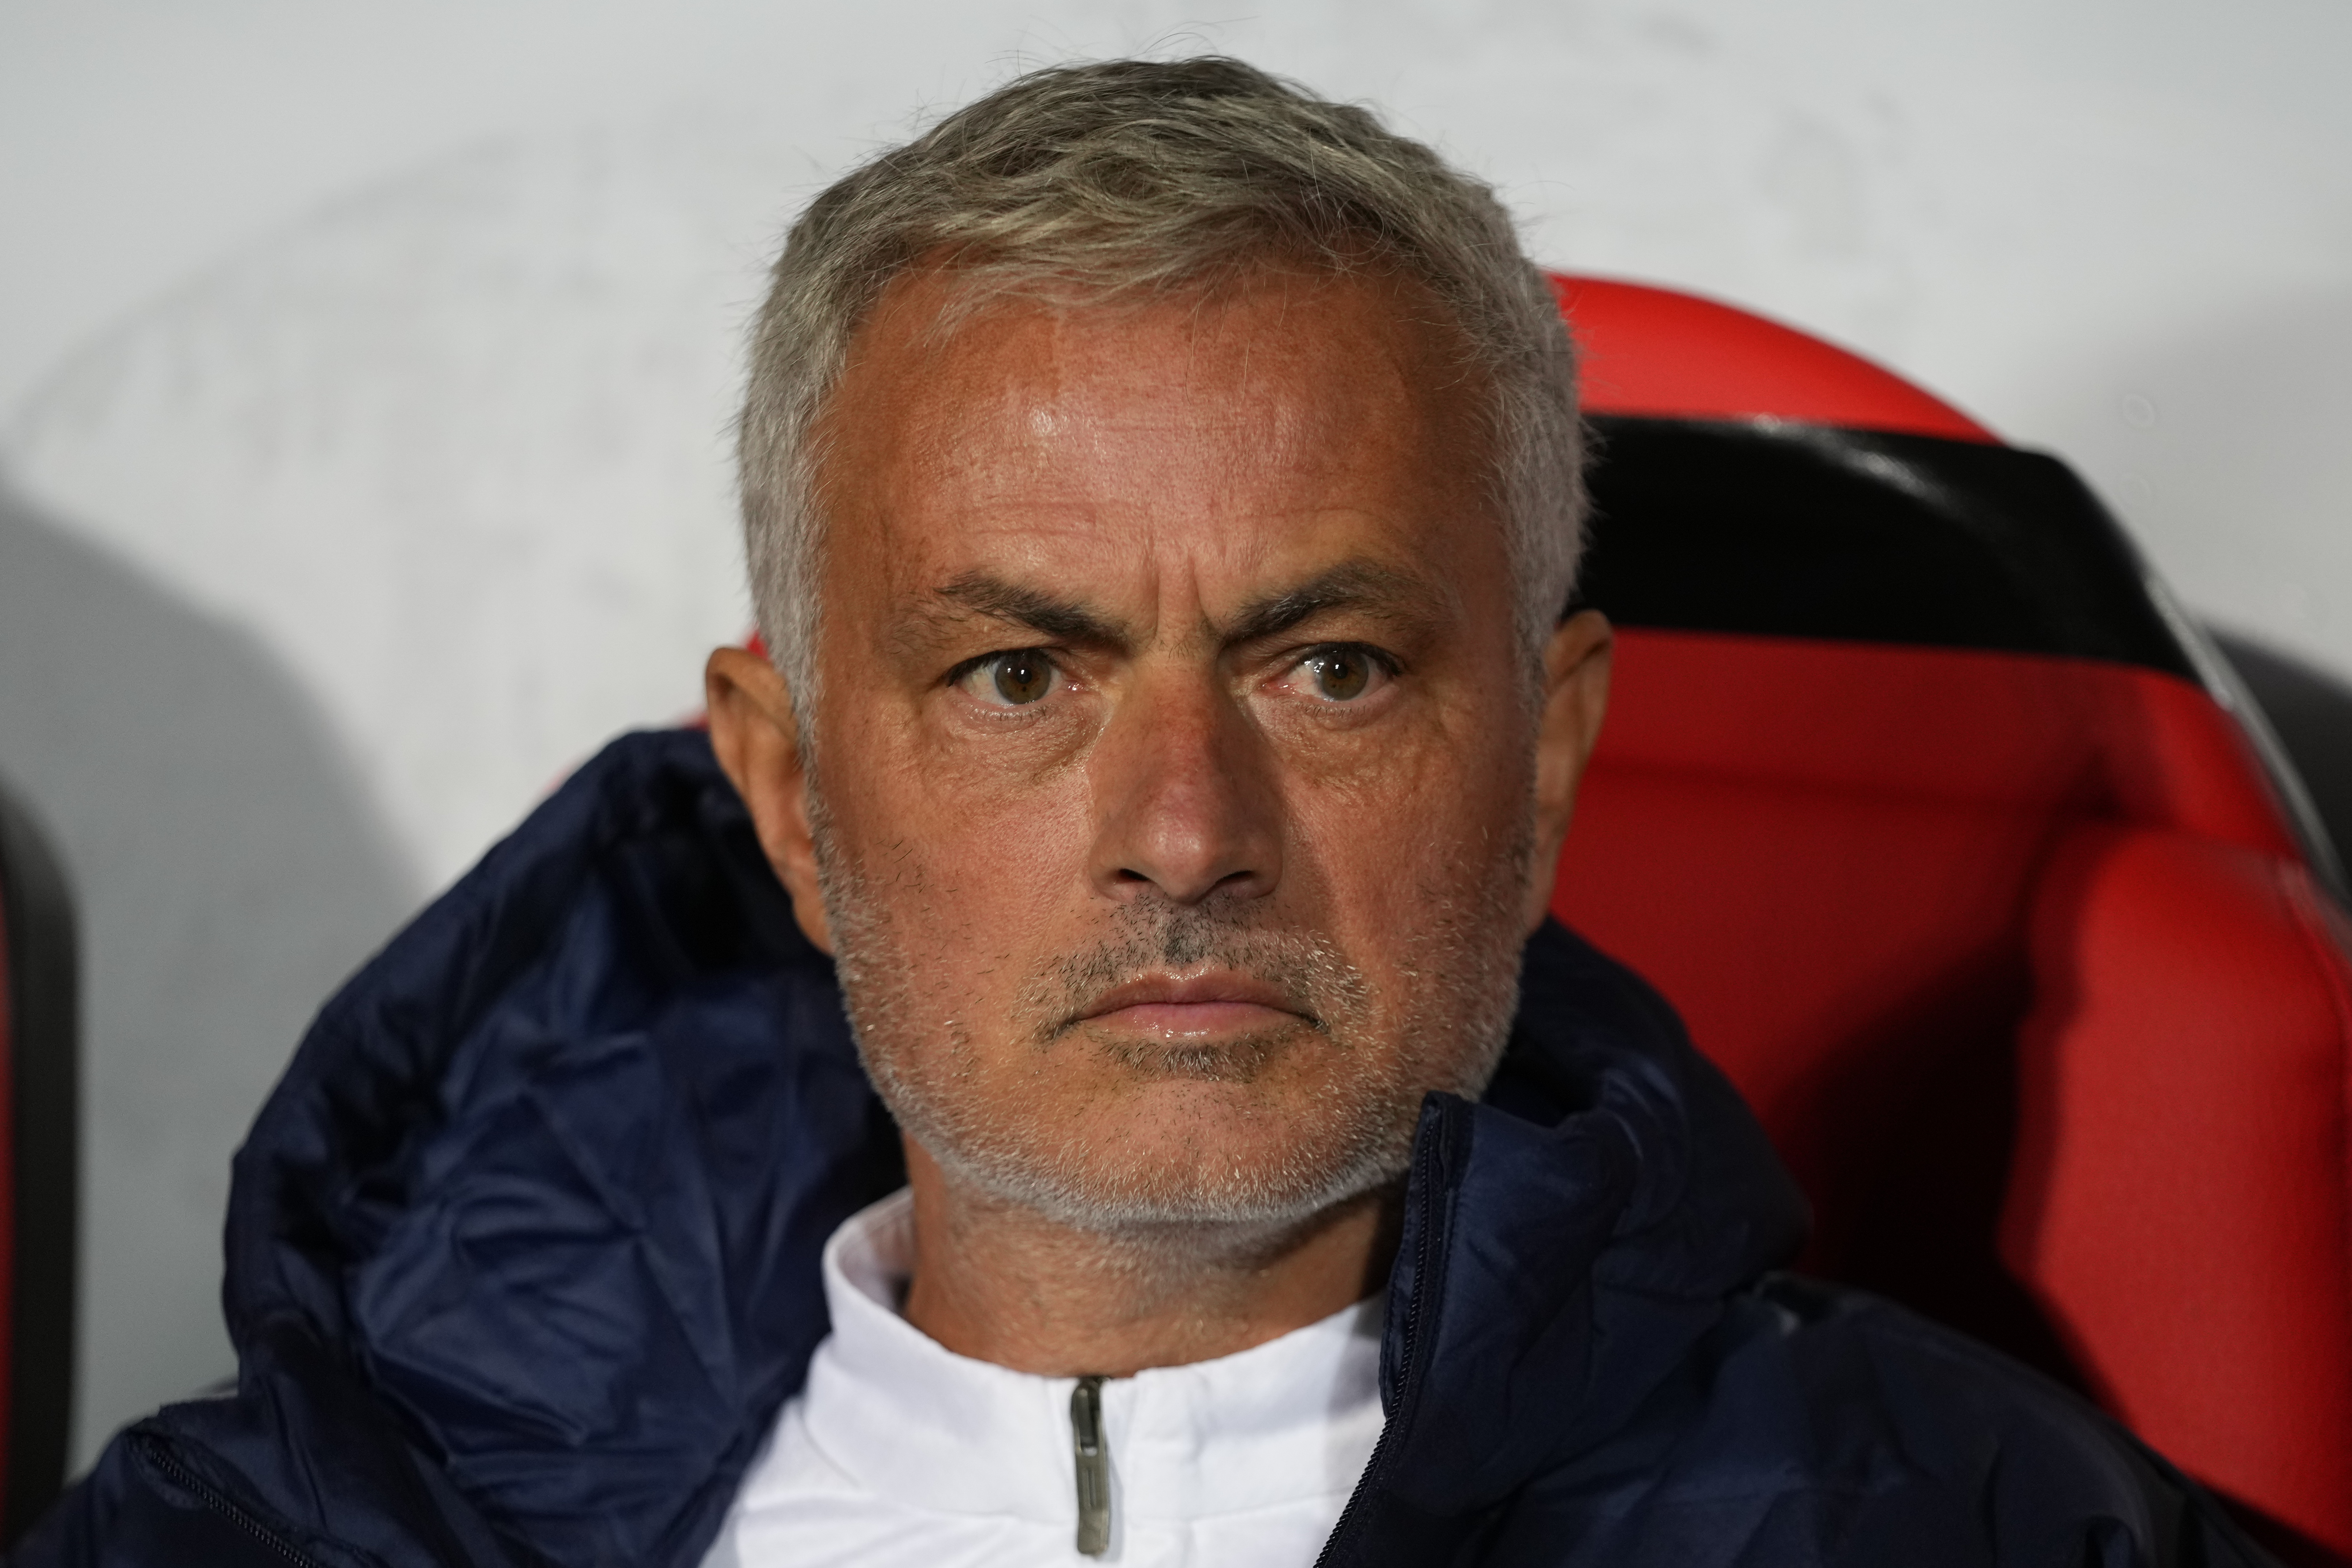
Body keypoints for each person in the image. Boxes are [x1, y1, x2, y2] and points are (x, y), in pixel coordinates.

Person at [15, 56, 2275, 1568]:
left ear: (1550, 749)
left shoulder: (1980, 1533)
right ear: (792, 791)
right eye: (1021, 673)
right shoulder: (265, 1535)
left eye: (1331, 666)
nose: (1185, 831)